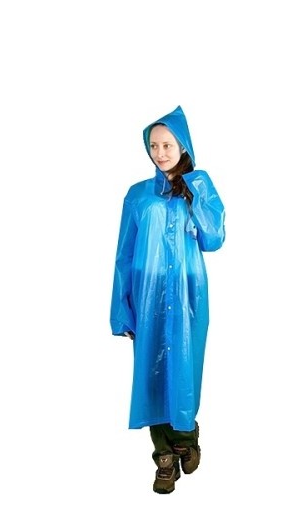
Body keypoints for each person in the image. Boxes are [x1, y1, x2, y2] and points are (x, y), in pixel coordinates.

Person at [110, 105, 225, 494]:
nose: (160, 153)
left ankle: (185, 439)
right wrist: (121, 309)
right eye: (154, 145)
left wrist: (197, 191)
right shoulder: (138, 195)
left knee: (184, 368)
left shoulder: (199, 187)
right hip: (147, 294)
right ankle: (163, 456)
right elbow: (124, 255)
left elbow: (214, 240)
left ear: (183, 146)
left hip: (188, 292)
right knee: (152, 373)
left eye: (167, 145)